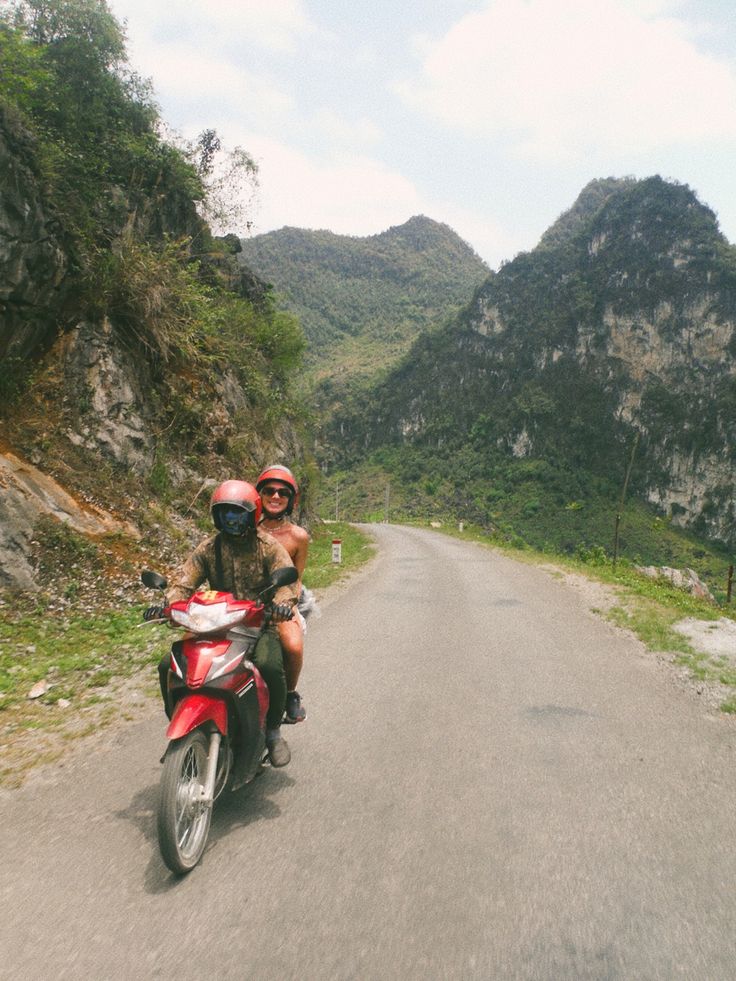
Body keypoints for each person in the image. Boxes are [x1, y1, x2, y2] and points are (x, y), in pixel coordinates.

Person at [152, 479, 298, 767]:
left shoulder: (268, 547)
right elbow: (184, 581)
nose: (231, 518)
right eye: (225, 512)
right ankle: (184, 730)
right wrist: (167, 605)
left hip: (258, 625)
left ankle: (272, 732)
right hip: (214, 625)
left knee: (269, 665)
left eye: (238, 512)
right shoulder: (209, 548)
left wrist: (281, 604)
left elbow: (286, 580)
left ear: (252, 514)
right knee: (168, 666)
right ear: (216, 516)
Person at [256, 465, 310, 724]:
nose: (275, 497)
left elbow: (296, 578)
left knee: (293, 645)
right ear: (259, 495)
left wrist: (289, 605)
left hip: (282, 603)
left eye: (282, 493)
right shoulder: (245, 529)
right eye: (269, 491)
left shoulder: (298, 537)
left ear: (290, 500)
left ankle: (289, 693)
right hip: (245, 602)